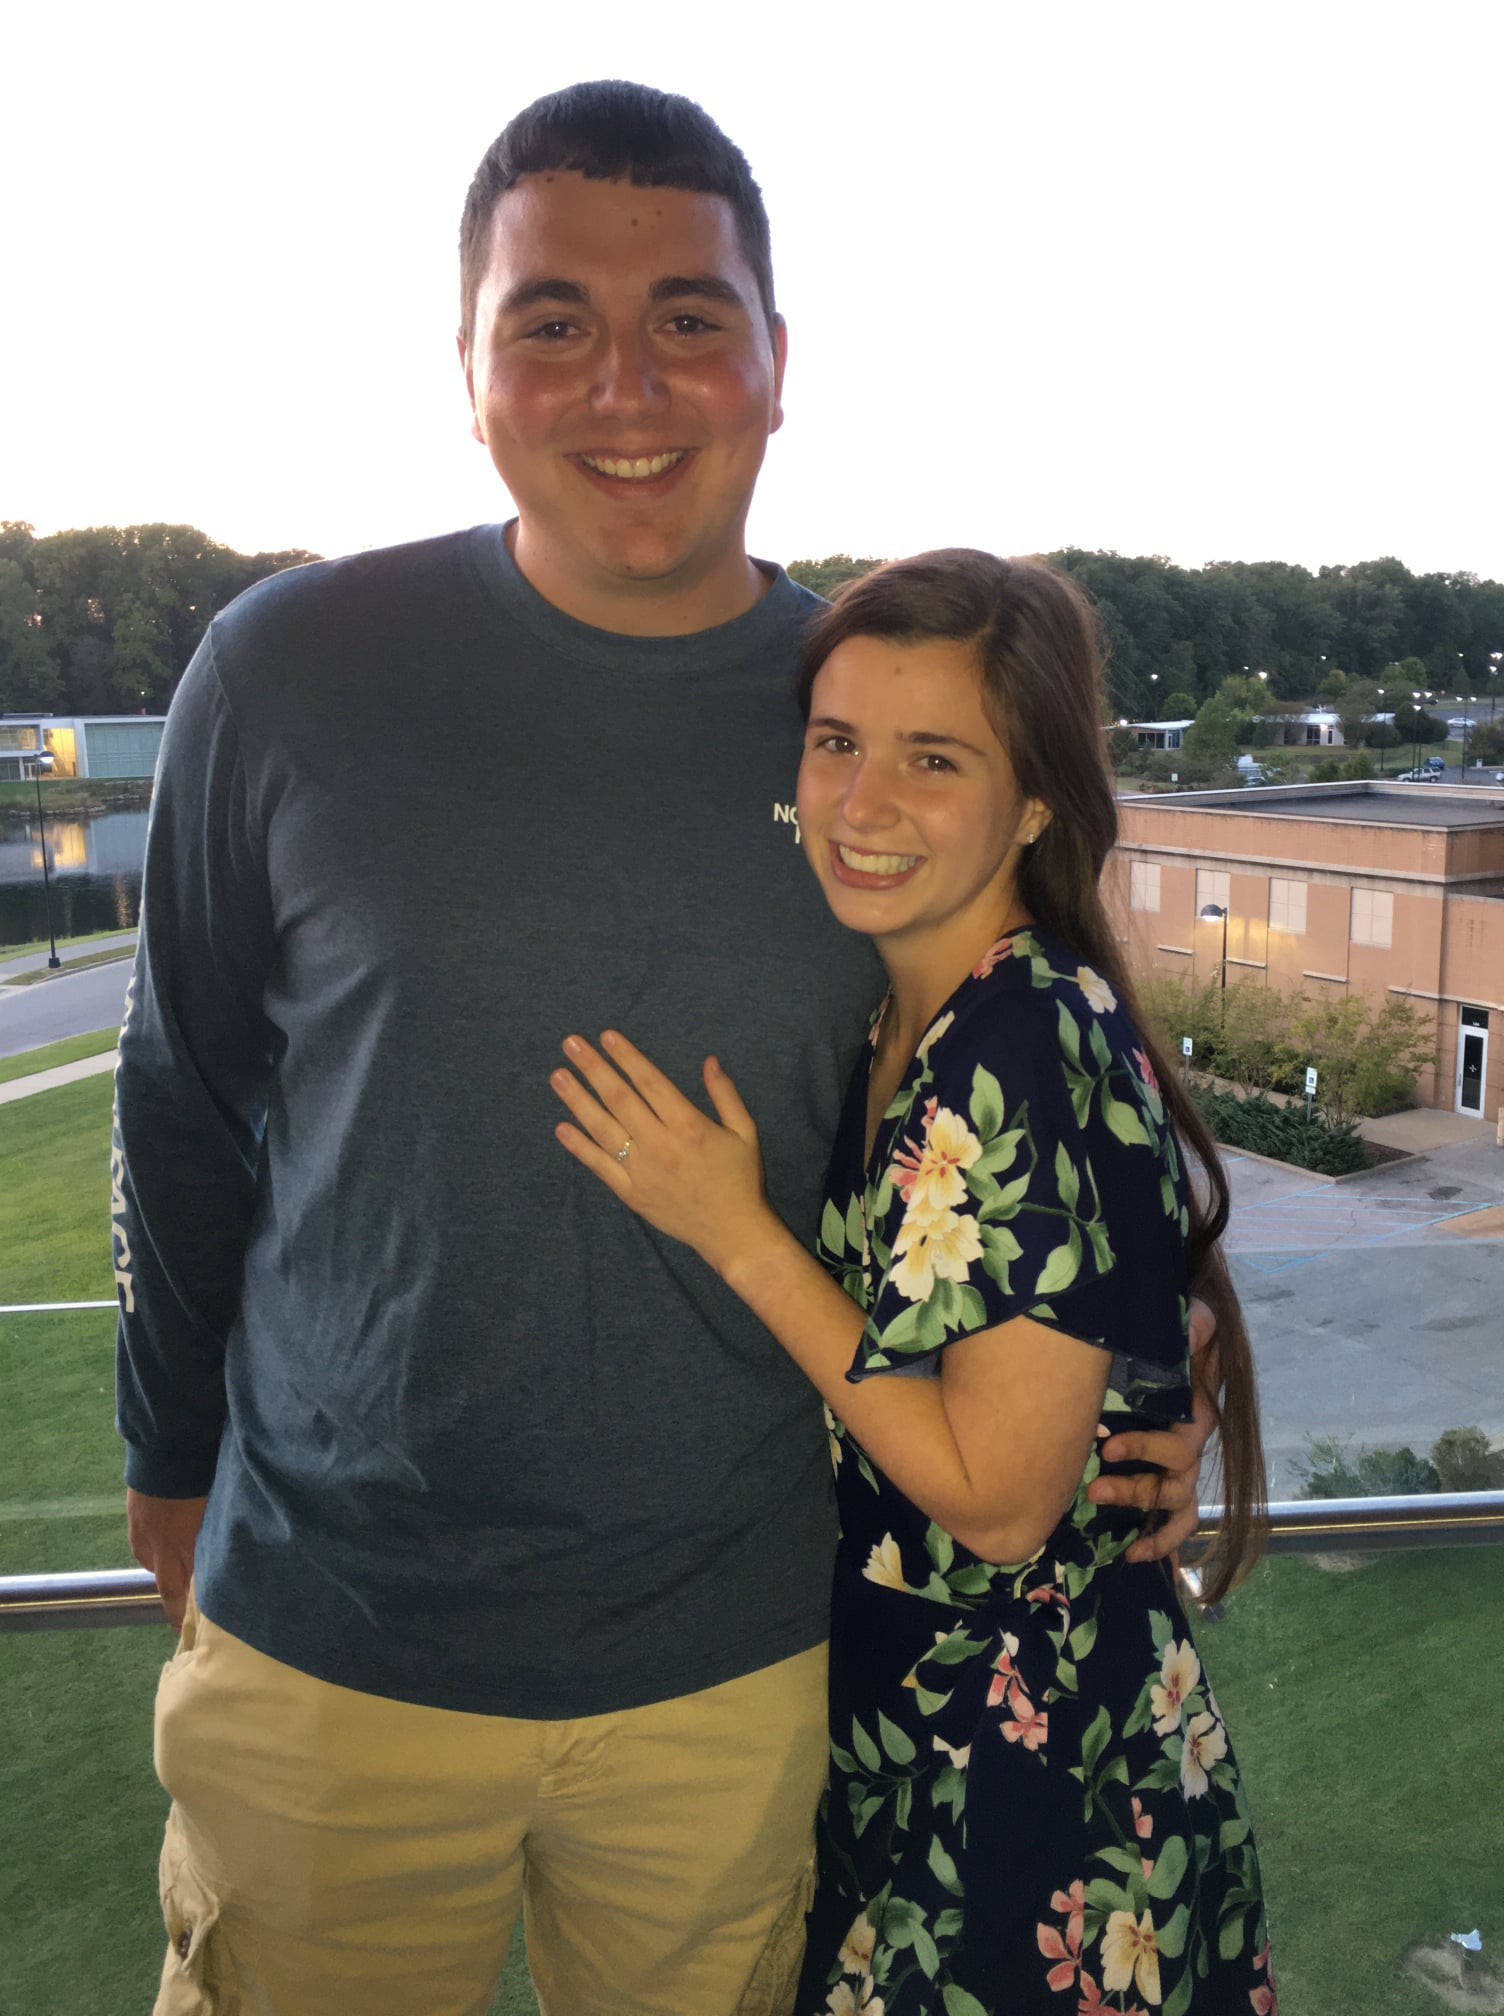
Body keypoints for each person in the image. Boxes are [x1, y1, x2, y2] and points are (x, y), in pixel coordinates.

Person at [114, 84, 1214, 2016]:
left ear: (776, 363)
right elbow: (184, 1100)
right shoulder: (285, 671)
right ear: (468, 370)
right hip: (334, 1650)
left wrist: (1138, 1375)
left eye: (688, 318)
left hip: (743, 1668)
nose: (625, 383)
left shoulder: (870, 720)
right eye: (551, 320)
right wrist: (166, 1455)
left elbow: (1023, 1066)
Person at [550, 550, 1272, 2014]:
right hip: (934, 1736)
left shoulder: (1017, 1039)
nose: (860, 803)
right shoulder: (914, 1016)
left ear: (1037, 801)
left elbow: (997, 1503)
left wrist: (735, 1230)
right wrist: (1165, 1361)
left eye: (933, 759)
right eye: (837, 743)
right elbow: (1093, 1292)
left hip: (1028, 1793)